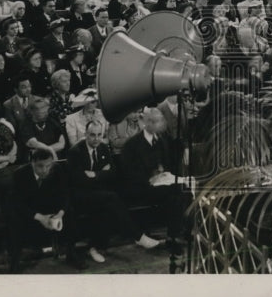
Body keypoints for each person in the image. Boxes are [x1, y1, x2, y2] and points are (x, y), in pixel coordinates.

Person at [66, 119, 162, 264]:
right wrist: (102, 173)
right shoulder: (75, 152)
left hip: (99, 194)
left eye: (99, 134)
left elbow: (113, 173)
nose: (96, 138)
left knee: (108, 205)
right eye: (92, 135)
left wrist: (95, 174)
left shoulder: (103, 148)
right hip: (80, 196)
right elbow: (79, 180)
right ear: (85, 134)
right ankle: (138, 236)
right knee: (111, 198)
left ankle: (94, 247)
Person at [119, 106, 188, 252]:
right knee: (175, 192)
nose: (161, 125)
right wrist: (149, 178)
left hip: (161, 184)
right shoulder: (132, 145)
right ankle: (174, 237)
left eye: (161, 121)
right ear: (147, 123)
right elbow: (127, 173)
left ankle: (178, 233)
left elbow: (169, 162)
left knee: (183, 188)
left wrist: (165, 174)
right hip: (141, 187)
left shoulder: (163, 139)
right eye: (158, 122)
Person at [8, 149, 85, 272]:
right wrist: (40, 217)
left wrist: (59, 214)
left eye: (48, 166)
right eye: (40, 166)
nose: (45, 170)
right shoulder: (20, 174)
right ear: (32, 163)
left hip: (51, 209)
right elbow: (17, 203)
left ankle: (71, 254)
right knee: (14, 218)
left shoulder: (57, 169)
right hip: (31, 212)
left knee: (70, 212)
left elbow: (65, 194)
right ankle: (15, 261)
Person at [17, 96, 66, 162]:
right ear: (32, 112)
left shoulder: (52, 121)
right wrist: (49, 150)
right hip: (35, 160)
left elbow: (62, 144)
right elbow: (32, 143)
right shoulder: (26, 124)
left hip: (53, 158)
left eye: (46, 111)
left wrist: (47, 150)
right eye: (42, 112)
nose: (46, 114)